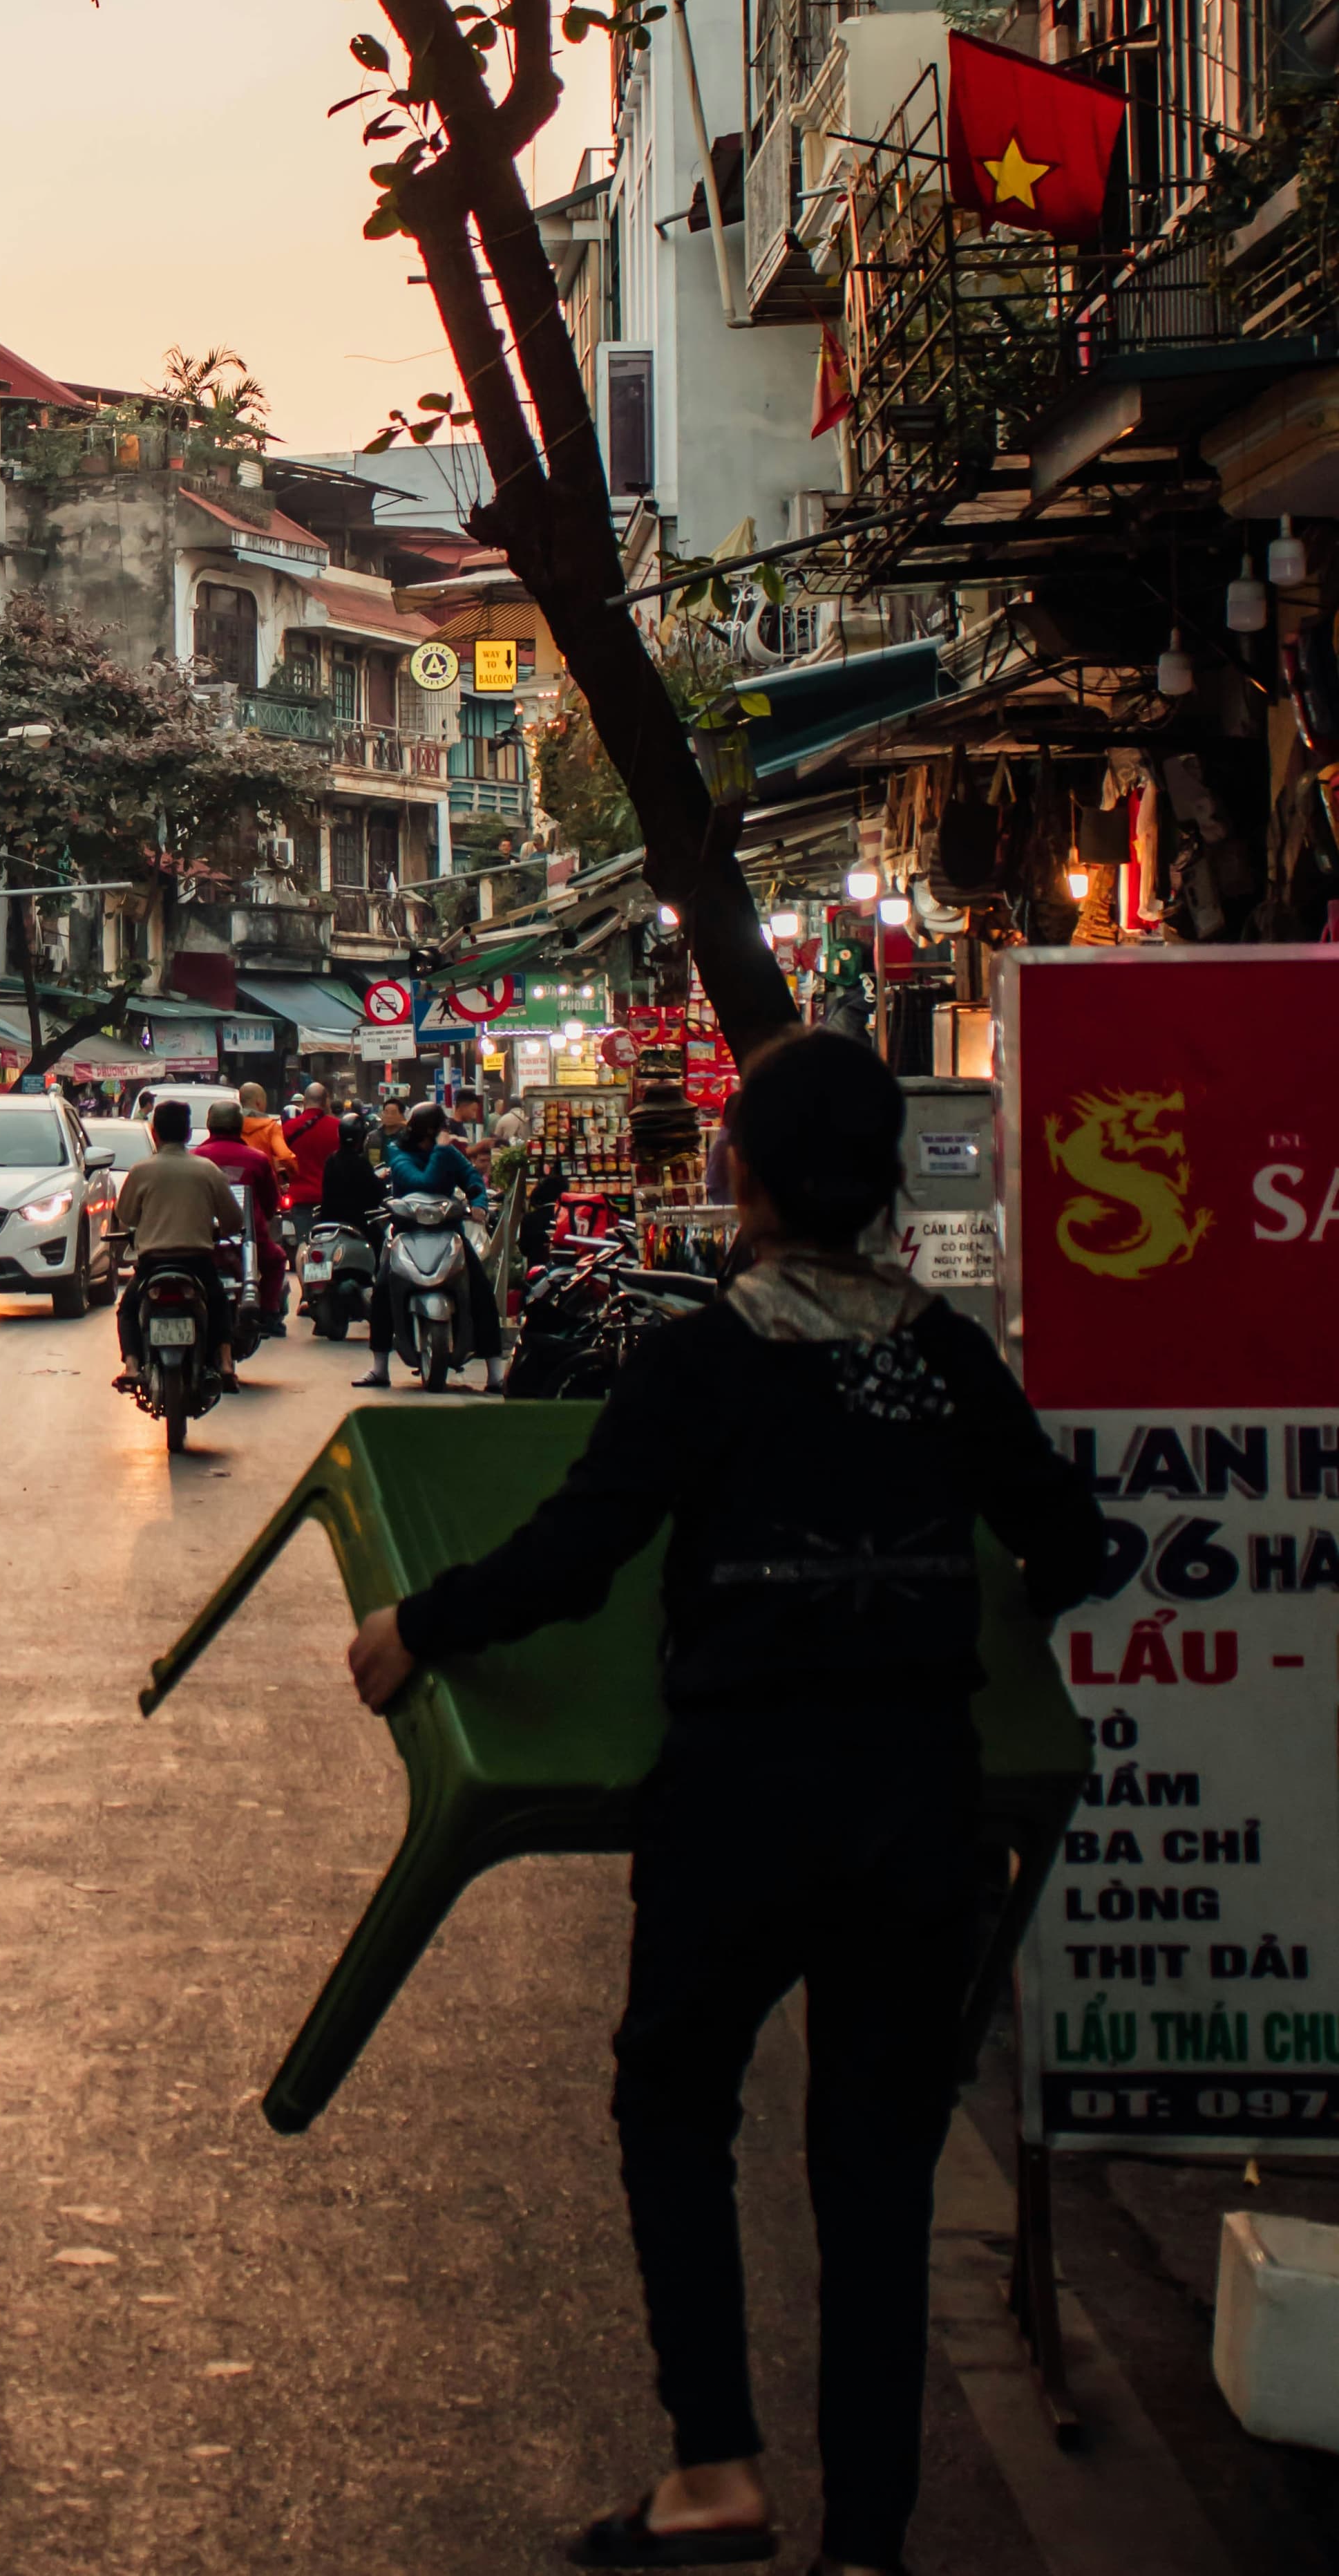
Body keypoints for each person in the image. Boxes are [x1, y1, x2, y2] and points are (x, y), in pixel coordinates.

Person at [345, 1028, 1103, 2576]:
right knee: (877, 2168)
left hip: (742, 1797)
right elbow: (1077, 1546)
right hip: (915, 1803)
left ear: (738, 1170)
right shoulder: (944, 1356)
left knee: (674, 2101)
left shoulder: (700, 1362)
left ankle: (714, 2467)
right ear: (890, 1186)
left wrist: (415, 1629)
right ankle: (869, 2540)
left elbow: (577, 1553)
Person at [357, 1101, 493, 1387]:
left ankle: (496, 1371)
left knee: (480, 1287)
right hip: (406, 1233)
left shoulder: (450, 1154)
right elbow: (424, 1184)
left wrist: (479, 1203)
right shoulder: (399, 1154)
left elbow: (473, 1181)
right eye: (440, 1127)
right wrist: (443, 1151)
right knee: (382, 1290)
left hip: (448, 1232)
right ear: (430, 1131)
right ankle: (380, 1367)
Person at [108, 1098, 247, 1380]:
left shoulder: (141, 1171)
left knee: (128, 1309)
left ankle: (132, 1366)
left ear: (154, 1133)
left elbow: (125, 1216)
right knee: (219, 1303)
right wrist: (217, 1231)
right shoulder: (207, 1170)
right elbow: (234, 1220)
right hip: (198, 1263)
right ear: (187, 1134)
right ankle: (224, 1362)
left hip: (152, 1264)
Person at [193, 1096, 285, 1331]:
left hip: (202, 1235)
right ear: (240, 1125)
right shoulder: (257, 1158)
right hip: (249, 1236)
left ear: (209, 1125)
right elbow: (269, 1203)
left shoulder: (195, 1158)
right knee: (276, 1261)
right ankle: (269, 1312)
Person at [281, 1081, 342, 1215]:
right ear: (327, 1102)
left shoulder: (288, 1129)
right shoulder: (339, 1128)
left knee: (303, 1235)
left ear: (304, 1100)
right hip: (331, 1197)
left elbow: (281, 1161)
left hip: (299, 1198)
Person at [236, 1082, 296, 1194]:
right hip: (264, 1185)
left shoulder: (234, 1126)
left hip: (238, 1186)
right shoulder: (271, 1127)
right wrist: (293, 1172)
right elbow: (285, 1156)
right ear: (259, 1102)